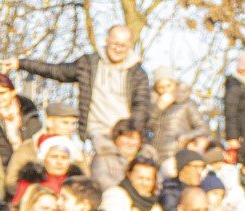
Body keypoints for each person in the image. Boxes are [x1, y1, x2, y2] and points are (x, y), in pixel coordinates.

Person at [8, 24, 152, 146]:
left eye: (123, 45)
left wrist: (127, 131)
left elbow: (141, 107)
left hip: (123, 134)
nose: (118, 49)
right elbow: (57, 71)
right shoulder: (89, 64)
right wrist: (22, 64)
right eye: (115, 44)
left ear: (130, 46)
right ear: (107, 41)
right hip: (96, 132)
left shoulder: (138, 73)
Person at [0, 74, 40, 173]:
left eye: (2, 93)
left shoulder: (28, 111)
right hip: (1, 168)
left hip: (28, 168)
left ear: (13, 92)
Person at [148, 68, 208, 158]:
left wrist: (186, 137)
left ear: (175, 85)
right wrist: (158, 108)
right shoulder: (152, 105)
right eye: (161, 87)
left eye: (168, 86)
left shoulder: (187, 103)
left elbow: (203, 128)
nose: (165, 90)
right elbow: (145, 126)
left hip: (176, 154)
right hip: (154, 155)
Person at [87, 119, 141, 191]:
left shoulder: (146, 158)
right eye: (126, 137)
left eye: (134, 138)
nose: (130, 142)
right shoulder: (103, 155)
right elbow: (101, 181)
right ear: (116, 138)